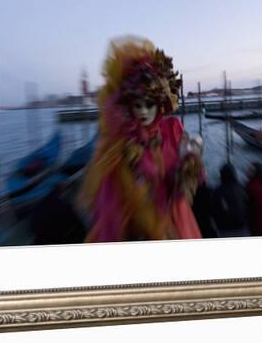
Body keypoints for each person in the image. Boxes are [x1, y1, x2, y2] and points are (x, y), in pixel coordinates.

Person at [78, 37, 203, 242]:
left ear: (160, 103)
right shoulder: (122, 144)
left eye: (149, 104)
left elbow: (189, 171)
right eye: (137, 105)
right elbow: (113, 202)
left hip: (177, 221)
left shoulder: (172, 130)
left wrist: (188, 173)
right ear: (129, 105)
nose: (143, 112)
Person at [211, 162, 248, 235]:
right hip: (243, 227)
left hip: (226, 229)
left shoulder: (218, 191)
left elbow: (213, 210)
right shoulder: (241, 188)